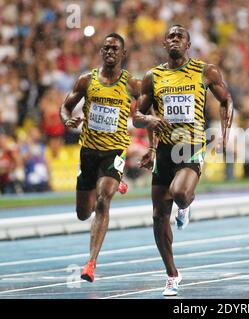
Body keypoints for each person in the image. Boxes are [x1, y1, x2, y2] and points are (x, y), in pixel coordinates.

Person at [133, 25, 233, 296]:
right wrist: (151, 129)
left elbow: (226, 101)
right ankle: (171, 274)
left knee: (179, 193)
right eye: (170, 37)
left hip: (191, 146)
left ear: (188, 44)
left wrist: (224, 135)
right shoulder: (152, 76)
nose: (175, 40)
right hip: (165, 150)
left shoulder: (205, 71)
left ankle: (185, 204)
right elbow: (137, 115)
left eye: (180, 37)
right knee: (158, 216)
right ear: (164, 44)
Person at [60, 33, 141, 282]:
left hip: (114, 151)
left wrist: (151, 136)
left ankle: (91, 263)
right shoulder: (86, 80)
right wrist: (67, 120)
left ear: (123, 54)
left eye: (115, 48)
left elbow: (150, 109)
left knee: (103, 201)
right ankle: (115, 182)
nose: (109, 52)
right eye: (105, 48)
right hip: (88, 153)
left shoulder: (132, 85)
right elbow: (65, 107)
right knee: (83, 214)